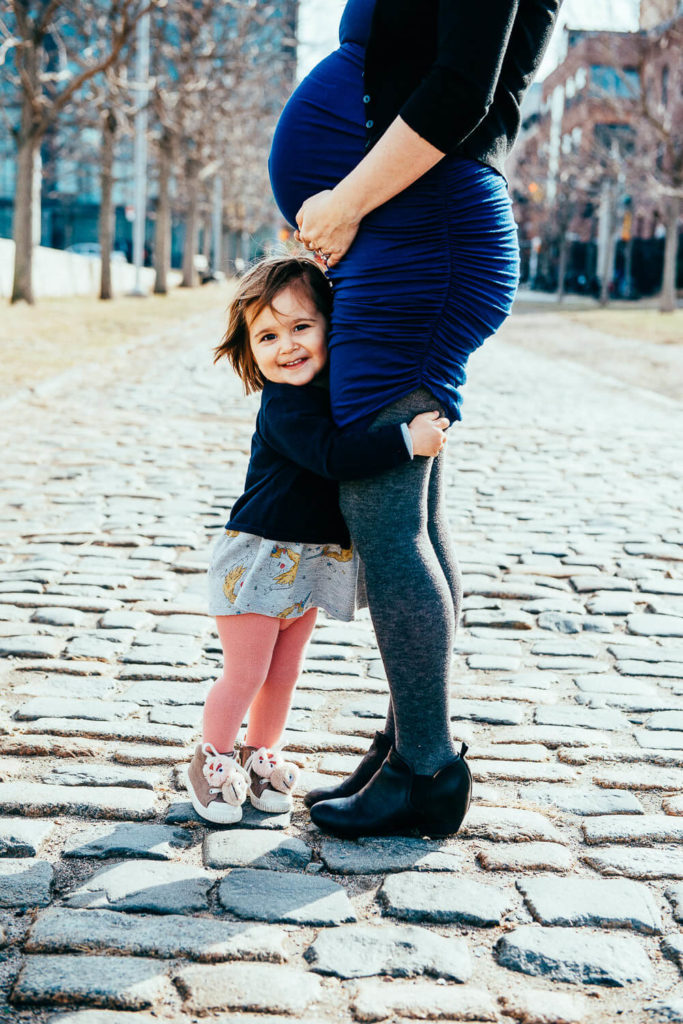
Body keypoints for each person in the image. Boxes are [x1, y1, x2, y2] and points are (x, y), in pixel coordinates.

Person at [268, 0, 562, 838]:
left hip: (419, 239)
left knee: (386, 519)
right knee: (414, 520)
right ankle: (409, 742)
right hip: (409, 235)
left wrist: (344, 203)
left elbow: (458, 89)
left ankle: (426, 773)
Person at [184, 255, 450, 825]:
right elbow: (334, 458)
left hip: (307, 561)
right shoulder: (284, 406)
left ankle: (261, 757)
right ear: (248, 349)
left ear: (334, 325)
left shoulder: (333, 393)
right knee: (247, 672)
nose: (287, 345)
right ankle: (213, 760)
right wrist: (405, 440)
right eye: (268, 336)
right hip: (258, 557)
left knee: (283, 674)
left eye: (302, 326)